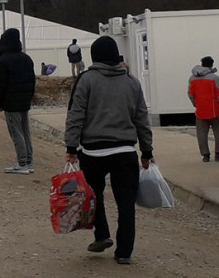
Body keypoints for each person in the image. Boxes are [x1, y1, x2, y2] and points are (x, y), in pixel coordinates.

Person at [64, 35, 154, 267]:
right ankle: (124, 252)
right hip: (125, 151)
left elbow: (76, 114)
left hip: (93, 153)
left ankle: (102, 234)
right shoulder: (132, 82)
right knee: (126, 204)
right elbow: (142, 119)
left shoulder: (86, 79)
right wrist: (146, 151)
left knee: (94, 196)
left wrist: (71, 146)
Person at [0, 28, 35, 174]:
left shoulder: (2, 61)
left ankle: (22, 163)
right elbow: (32, 81)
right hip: (24, 101)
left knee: (16, 132)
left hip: (11, 103)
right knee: (25, 131)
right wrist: (29, 98)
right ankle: (29, 161)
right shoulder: (26, 58)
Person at [188, 55, 219, 162]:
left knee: (201, 133)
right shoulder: (214, 78)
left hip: (200, 110)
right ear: (211, 64)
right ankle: (218, 153)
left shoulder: (192, 78)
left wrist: (196, 104)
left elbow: (190, 94)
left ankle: (205, 155)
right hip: (214, 110)